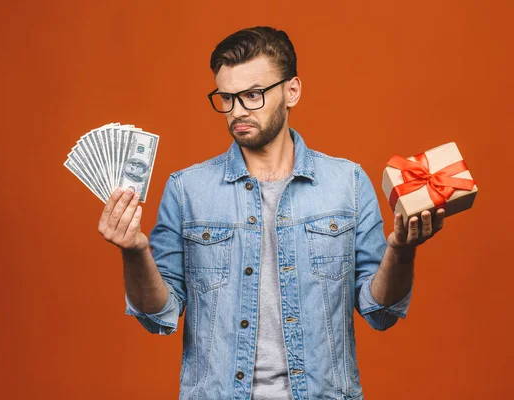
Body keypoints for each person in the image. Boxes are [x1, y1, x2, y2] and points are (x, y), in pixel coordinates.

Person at [98, 26, 445, 400]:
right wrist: (134, 252)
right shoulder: (187, 190)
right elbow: (158, 315)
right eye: (226, 98)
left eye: (252, 95)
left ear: (292, 91)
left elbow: (381, 312)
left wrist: (401, 249)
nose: (237, 112)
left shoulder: (348, 182)